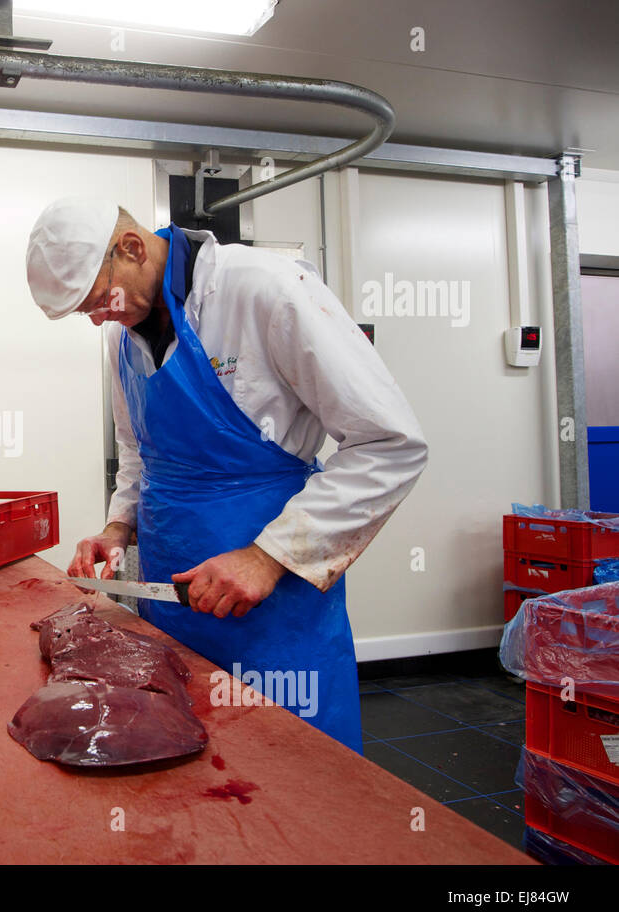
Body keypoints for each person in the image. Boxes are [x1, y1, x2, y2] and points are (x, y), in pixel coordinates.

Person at [24, 197, 428, 753]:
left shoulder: (265, 290)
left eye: (99, 301)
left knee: (289, 776)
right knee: (184, 773)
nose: (98, 320)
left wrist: (268, 557)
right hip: (172, 601)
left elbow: (390, 443)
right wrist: (119, 527)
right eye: (86, 313)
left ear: (133, 248)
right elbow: (139, 450)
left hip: (271, 605)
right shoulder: (123, 336)